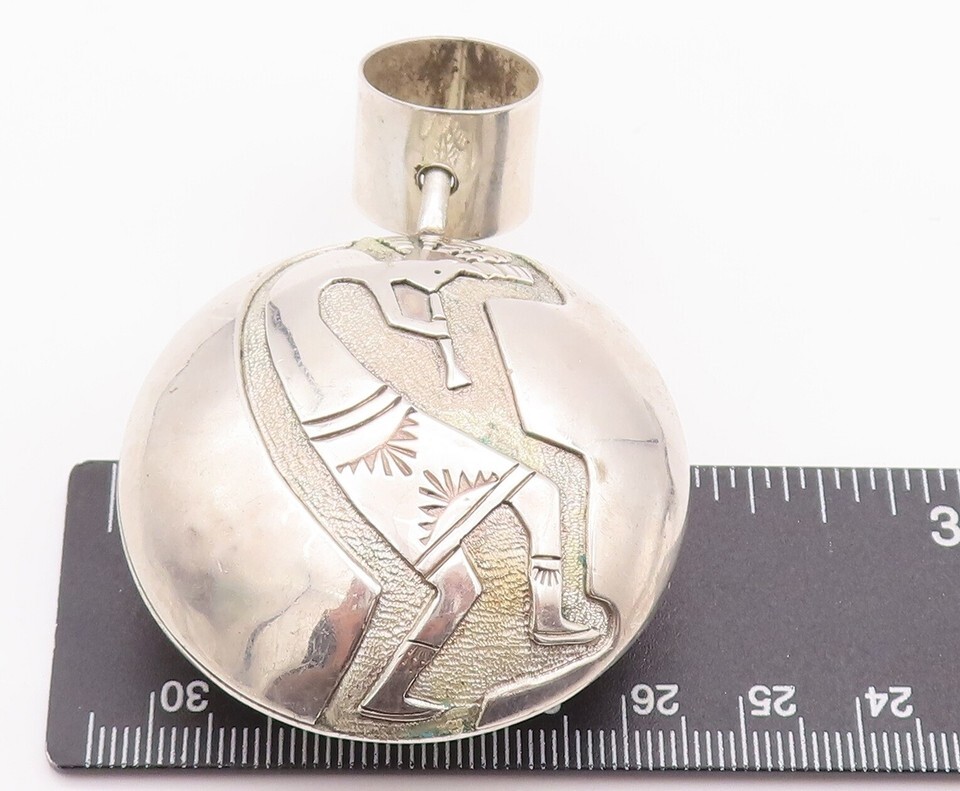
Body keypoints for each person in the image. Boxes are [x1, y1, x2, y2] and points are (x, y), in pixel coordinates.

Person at [266, 245, 597, 722]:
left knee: (476, 566)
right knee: (515, 522)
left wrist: (434, 285)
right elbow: (397, 305)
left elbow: (402, 307)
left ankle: (393, 692)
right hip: (374, 438)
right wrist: (443, 277)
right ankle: (395, 691)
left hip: (377, 434)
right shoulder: (316, 287)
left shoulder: (310, 291)